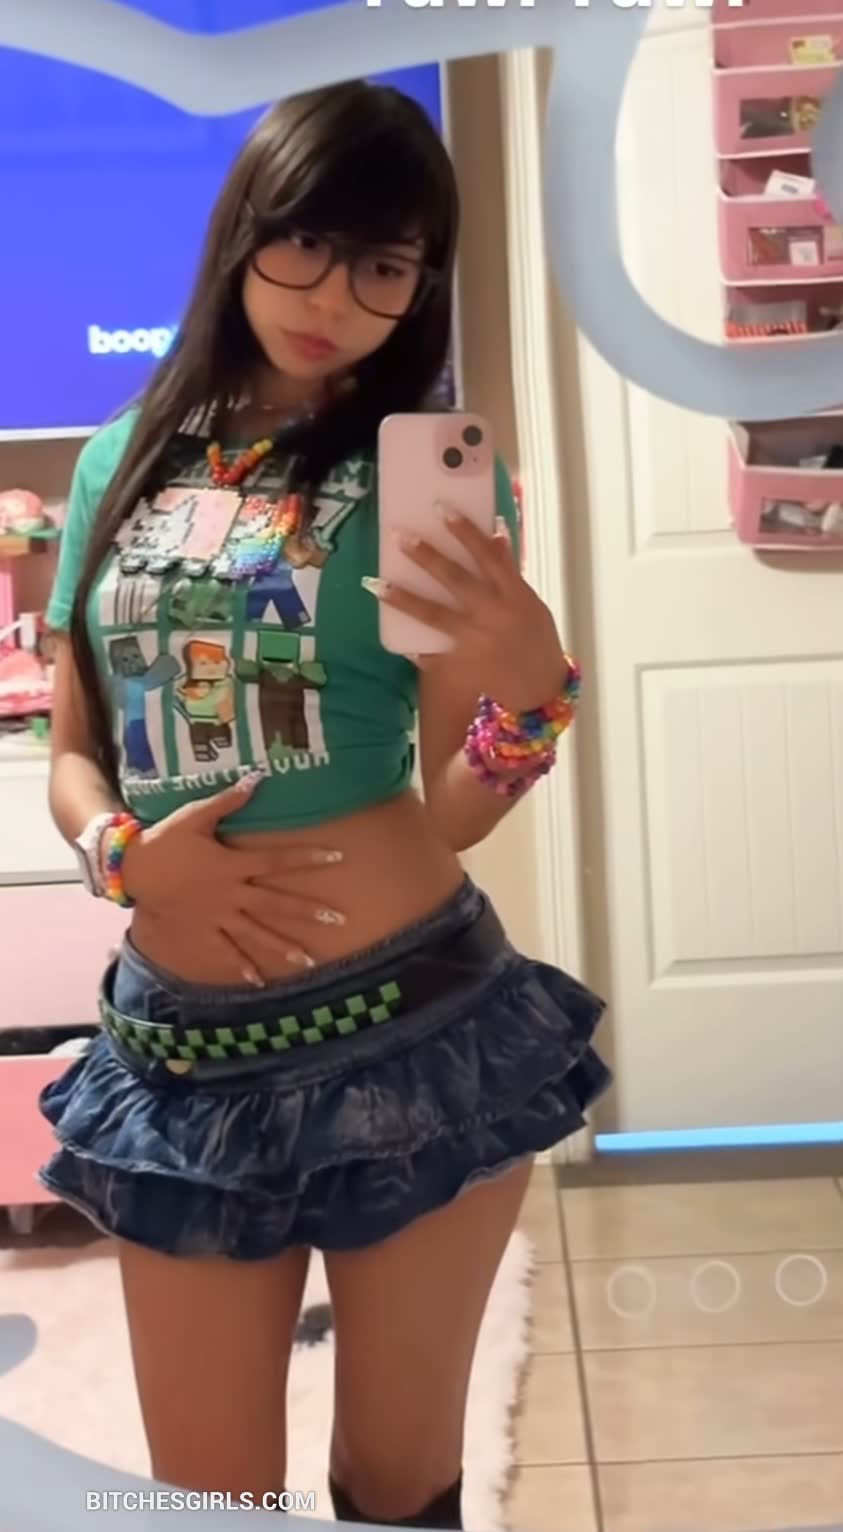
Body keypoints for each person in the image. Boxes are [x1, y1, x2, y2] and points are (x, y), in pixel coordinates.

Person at [38, 80, 610, 1526]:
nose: (335, 299)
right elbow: (74, 752)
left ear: (421, 285)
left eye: (384, 265)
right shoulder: (118, 460)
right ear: (244, 231)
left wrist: (533, 683)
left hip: (416, 1033)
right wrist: (123, 857)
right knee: (207, 1499)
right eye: (304, 244)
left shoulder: (423, 477)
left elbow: (455, 803)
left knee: (396, 1486)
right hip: (179, 1061)